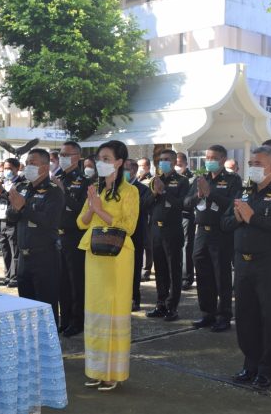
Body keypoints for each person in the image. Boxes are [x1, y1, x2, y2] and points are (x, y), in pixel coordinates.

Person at [222, 145, 271, 389]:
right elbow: (225, 222)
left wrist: (253, 218)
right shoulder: (244, 192)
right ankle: (250, 365)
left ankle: (266, 371)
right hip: (243, 264)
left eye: (259, 164)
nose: (253, 167)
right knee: (245, 318)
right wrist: (238, 217)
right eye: (251, 163)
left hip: (270, 266)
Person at [77, 140, 138, 391]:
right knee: (94, 310)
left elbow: (129, 226)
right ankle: (96, 370)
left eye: (106, 158)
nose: (100, 163)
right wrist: (92, 208)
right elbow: (81, 222)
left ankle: (113, 373)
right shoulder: (96, 189)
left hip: (117, 258)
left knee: (113, 311)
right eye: (99, 158)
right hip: (94, 255)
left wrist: (100, 210)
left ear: (119, 162)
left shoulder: (130, 191)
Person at [184, 145, 242, 332]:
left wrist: (211, 193)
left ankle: (223, 315)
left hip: (222, 233)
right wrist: (198, 195)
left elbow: (233, 204)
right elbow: (186, 203)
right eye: (207, 157)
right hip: (201, 231)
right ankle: (207, 313)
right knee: (202, 272)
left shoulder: (232, 180)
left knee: (221, 275)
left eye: (213, 157)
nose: (209, 160)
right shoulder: (200, 179)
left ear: (223, 159)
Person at [7, 148, 64, 323]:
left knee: (46, 307)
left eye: (33, 163)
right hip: (24, 257)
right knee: (26, 305)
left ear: (45, 167)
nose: (28, 166)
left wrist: (24, 208)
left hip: (45, 257)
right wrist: (16, 208)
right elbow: (10, 217)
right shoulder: (22, 187)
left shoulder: (54, 191)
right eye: (27, 163)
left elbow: (49, 222)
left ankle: (50, 345)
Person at [146, 149, 190, 321]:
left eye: (166, 159)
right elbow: (145, 205)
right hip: (156, 230)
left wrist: (164, 192)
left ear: (173, 162)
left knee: (173, 270)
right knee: (160, 270)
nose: (162, 162)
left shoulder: (182, 181)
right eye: (160, 160)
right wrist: (155, 192)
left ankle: (172, 307)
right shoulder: (155, 181)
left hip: (172, 230)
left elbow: (182, 205)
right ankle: (161, 304)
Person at [53, 141, 90, 337]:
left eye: (67, 154)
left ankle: (77, 321)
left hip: (75, 236)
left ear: (77, 157)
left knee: (76, 281)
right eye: (61, 154)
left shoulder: (85, 181)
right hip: (56, 236)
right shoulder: (57, 177)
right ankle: (64, 318)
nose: (63, 158)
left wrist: (63, 192)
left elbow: (81, 210)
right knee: (61, 282)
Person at [0, 158, 23, 288]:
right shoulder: (3, 182)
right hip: (1, 221)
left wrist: (3, 192)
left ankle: (15, 277)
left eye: (9, 168)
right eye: (5, 168)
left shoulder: (21, 183)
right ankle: (8, 275)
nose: (7, 171)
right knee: (5, 250)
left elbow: (15, 201)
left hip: (12, 222)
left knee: (14, 249)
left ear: (16, 169)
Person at [124, 159, 151, 312]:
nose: (123, 172)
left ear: (134, 170)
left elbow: (140, 208)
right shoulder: (117, 187)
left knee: (134, 267)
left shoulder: (142, 189)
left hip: (136, 233)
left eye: (126, 169)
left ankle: (135, 298)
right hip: (120, 234)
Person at [176, 152, 196, 290]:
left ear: (186, 164)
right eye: (175, 164)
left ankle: (186, 277)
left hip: (186, 216)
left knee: (186, 246)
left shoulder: (192, 178)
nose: (177, 167)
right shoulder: (168, 178)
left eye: (179, 164)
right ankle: (175, 276)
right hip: (171, 216)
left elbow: (190, 200)